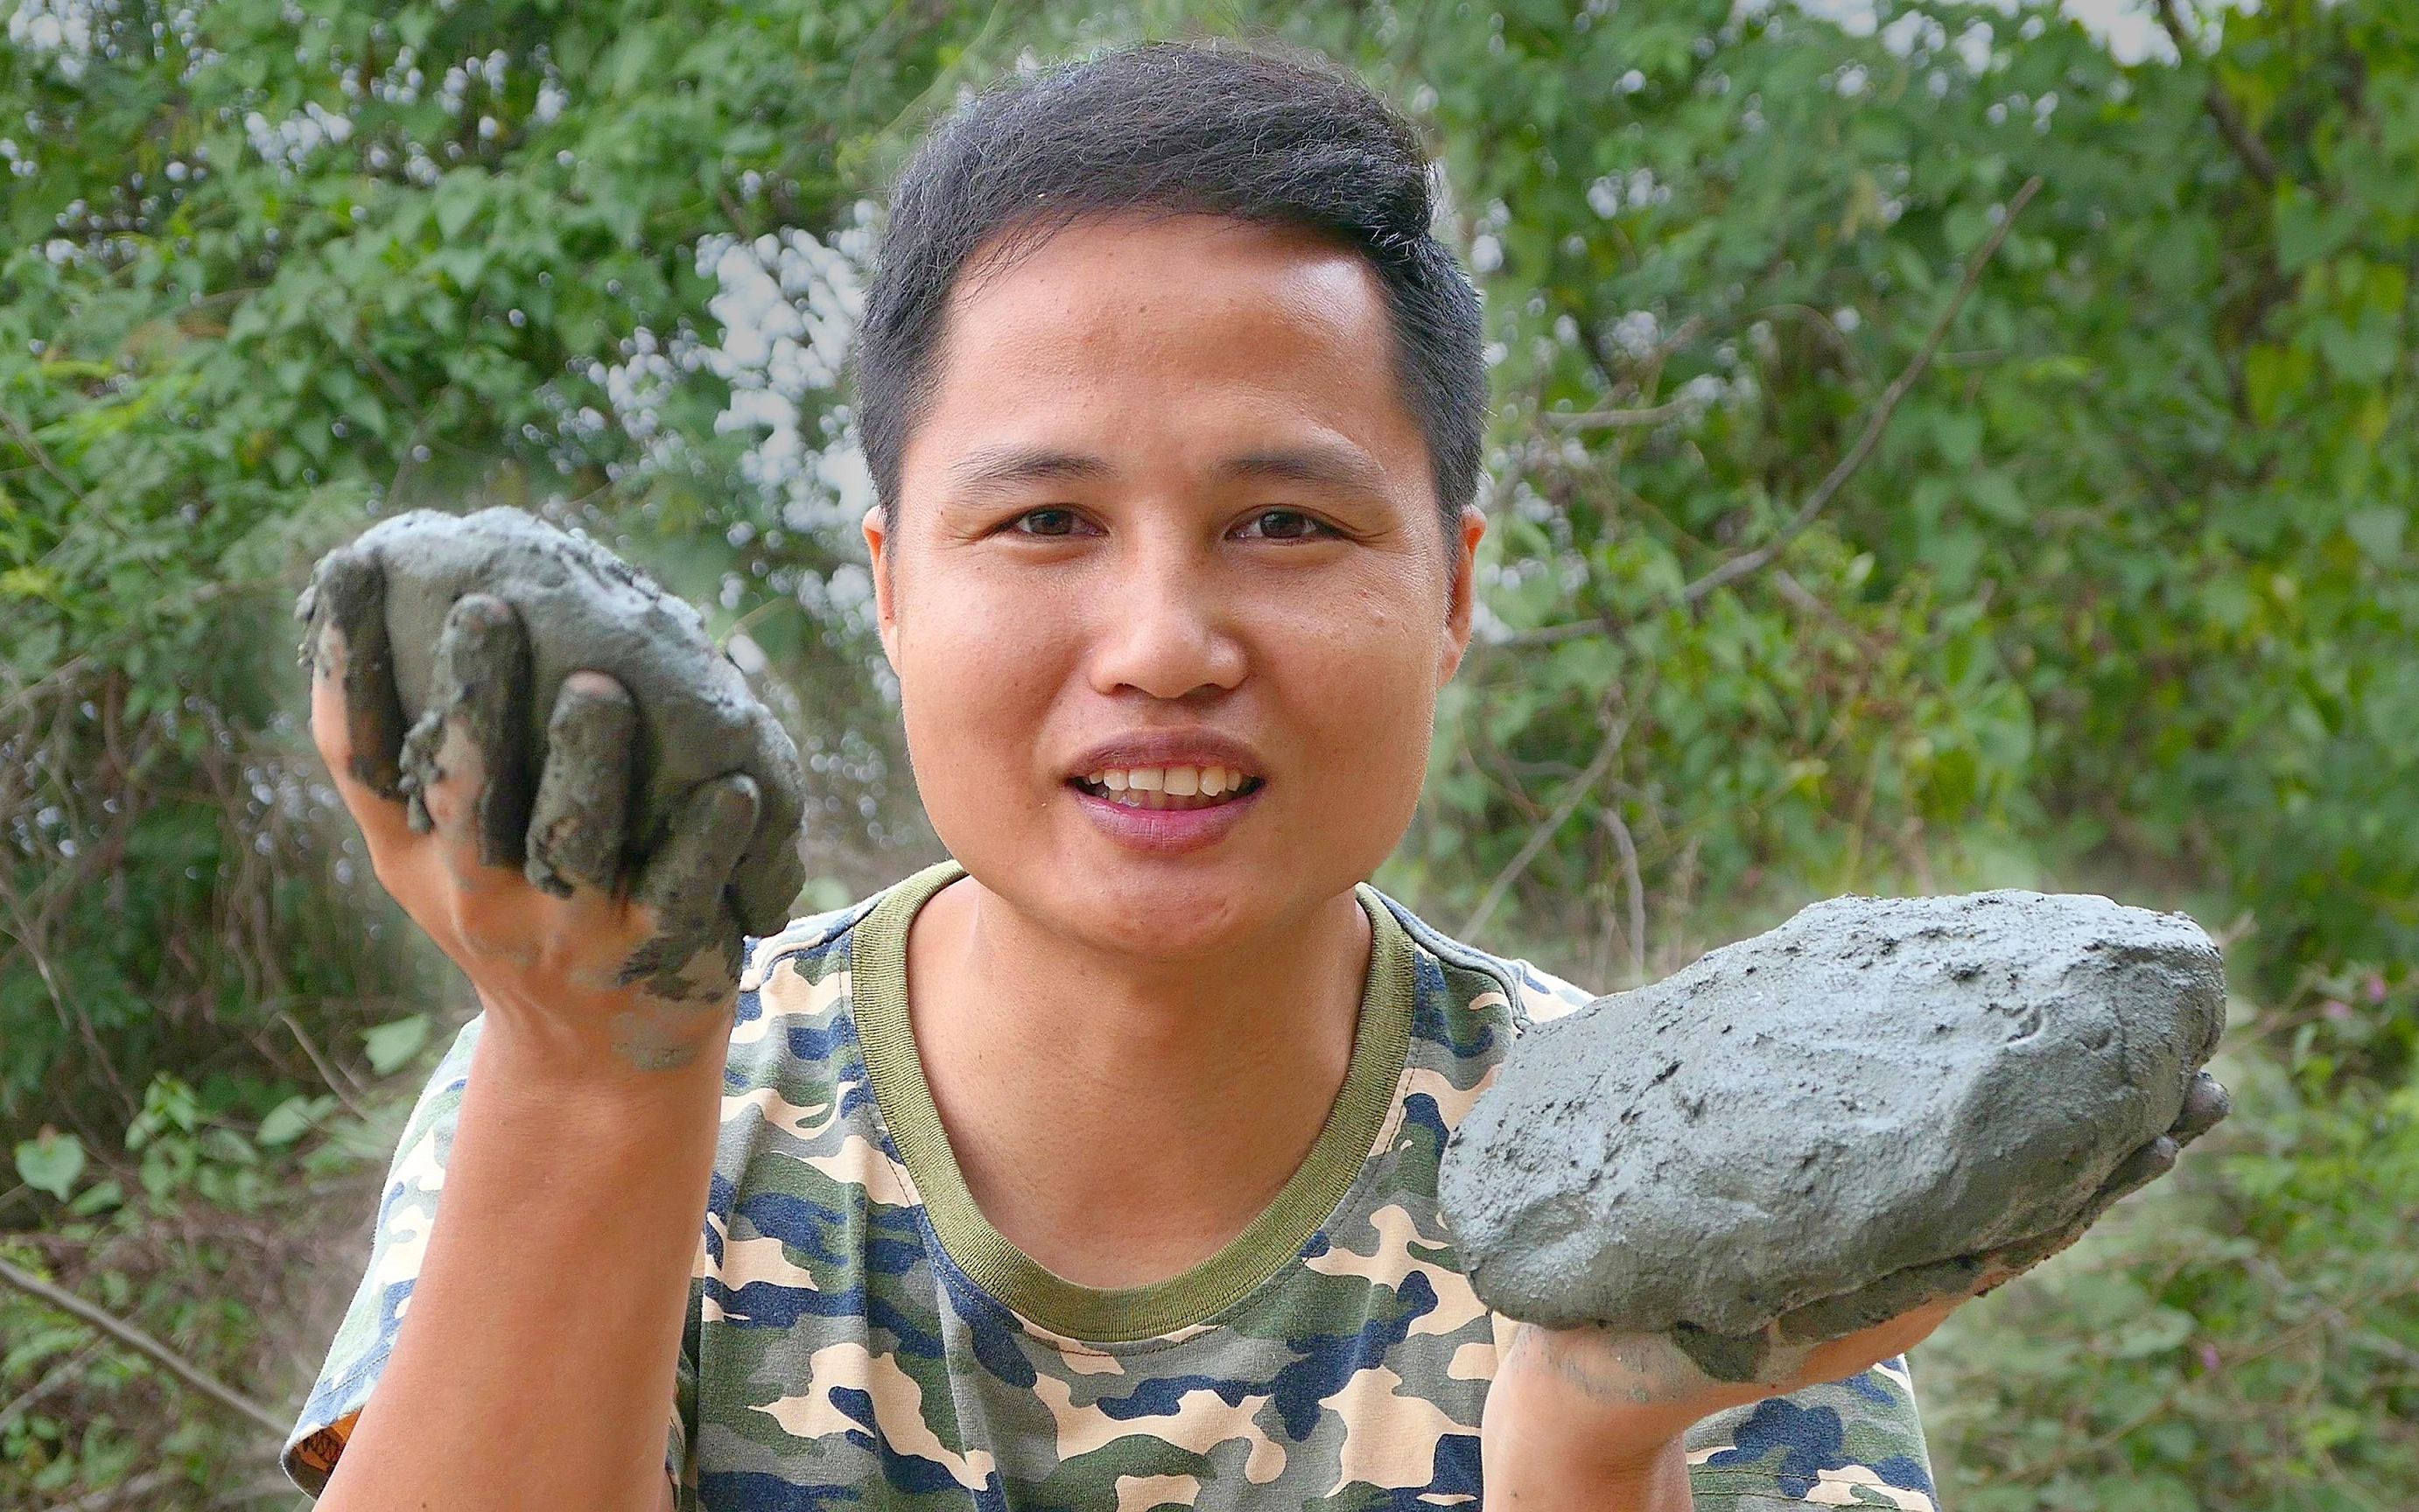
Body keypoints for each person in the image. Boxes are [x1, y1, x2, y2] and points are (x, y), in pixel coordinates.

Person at [284, 41, 1970, 1510]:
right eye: (1046, 524)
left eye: (1286, 525)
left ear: (1453, 590)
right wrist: (587, 1083)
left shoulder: (1679, 1175)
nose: (1164, 644)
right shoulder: (655, 1087)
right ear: (890, 584)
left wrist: (1595, 1458)